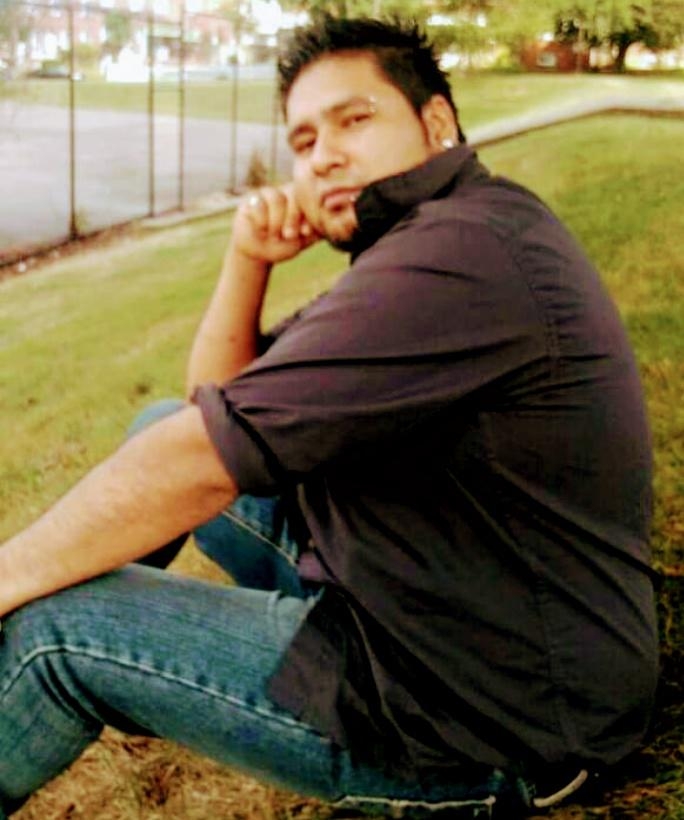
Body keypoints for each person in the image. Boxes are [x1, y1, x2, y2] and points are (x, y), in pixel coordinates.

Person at [0, 15, 659, 819]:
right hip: (440, 608)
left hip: (487, 722)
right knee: (159, 426)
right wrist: (246, 258)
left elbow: (201, 458)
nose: (325, 156)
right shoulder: (447, 233)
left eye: (355, 119)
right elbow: (217, 408)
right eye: (304, 141)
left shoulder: (459, 258)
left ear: (437, 122)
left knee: (59, 627)